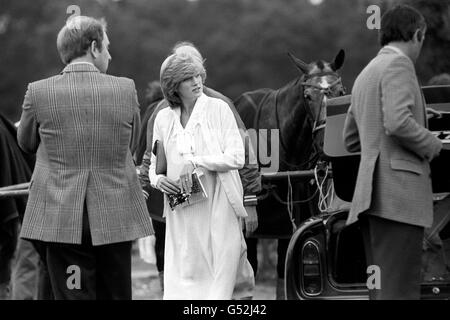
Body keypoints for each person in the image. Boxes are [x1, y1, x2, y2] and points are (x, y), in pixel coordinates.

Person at [17, 16, 154, 300]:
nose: (110, 54)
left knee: (74, 292)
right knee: (115, 293)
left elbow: (26, 144)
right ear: (93, 47)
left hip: (62, 219)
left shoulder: (38, 92)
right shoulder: (126, 89)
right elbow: (132, 147)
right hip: (115, 216)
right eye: (106, 48)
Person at [140, 42, 260, 298]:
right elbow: (153, 165)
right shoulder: (162, 118)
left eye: (198, 75)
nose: (197, 82)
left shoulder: (219, 108)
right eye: (188, 78)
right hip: (182, 211)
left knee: (221, 278)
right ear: (173, 85)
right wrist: (158, 181)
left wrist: (198, 161)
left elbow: (238, 155)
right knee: (184, 277)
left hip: (219, 205)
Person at [343, 5, 442, 300]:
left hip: (372, 200)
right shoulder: (399, 66)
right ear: (417, 34)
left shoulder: (366, 73)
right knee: (400, 292)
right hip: (399, 199)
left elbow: (351, 138)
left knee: (384, 291)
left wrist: (421, 115)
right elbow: (397, 123)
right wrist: (432, 144)